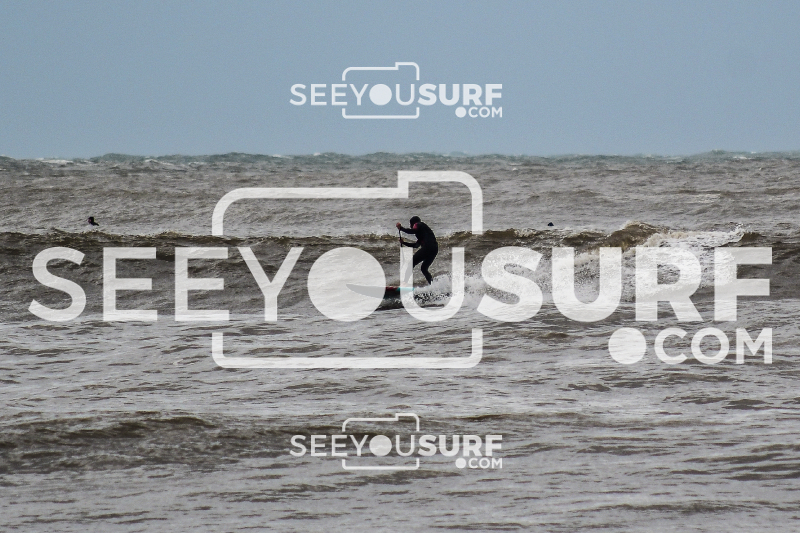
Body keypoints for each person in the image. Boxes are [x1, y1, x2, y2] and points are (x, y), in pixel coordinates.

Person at [396, 216, 438, 285]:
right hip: (435, 249)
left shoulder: (418, 224)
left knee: (411, 263)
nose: (410, 226)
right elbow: (416, 245)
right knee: (424, 269)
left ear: (413, 223)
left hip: (428, 247)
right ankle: (433, 285)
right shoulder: (423, 233)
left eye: (410, 224)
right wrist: (404, 243)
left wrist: (401, 228)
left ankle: (405, 283)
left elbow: (414, 230)